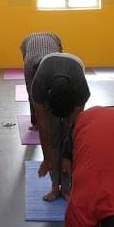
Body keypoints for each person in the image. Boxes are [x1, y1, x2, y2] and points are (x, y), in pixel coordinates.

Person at [30, 52, 90, 201]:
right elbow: (43, 126)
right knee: (53, 137)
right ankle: (55, 187)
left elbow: (73, 129)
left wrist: (67, 156)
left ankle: (66, 187)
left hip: (74, 70)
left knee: (67, 133)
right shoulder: (39, 85)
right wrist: (47, 158)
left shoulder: (81, 89)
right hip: (48, 72)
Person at [20, 33, 63, 129]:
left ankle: (36, 123)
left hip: (31, 61)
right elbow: (60, 53)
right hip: (52, 61)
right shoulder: (55, 37)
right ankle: (56, 120)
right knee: (55, 90)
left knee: (32, 93)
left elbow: (24, 57)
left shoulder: (25, 40)